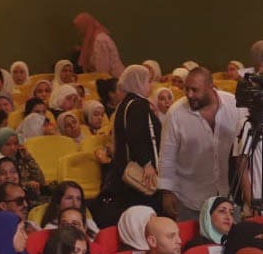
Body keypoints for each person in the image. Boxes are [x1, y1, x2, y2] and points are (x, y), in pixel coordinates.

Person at [158, 67, 243, 223]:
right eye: (187, 89)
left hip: (229, 196)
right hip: (190, 198)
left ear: (211, 86)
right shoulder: (176, 113)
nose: (189, 94)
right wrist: (166, 192)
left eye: (195, 90)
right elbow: (167, 155)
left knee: (232, 238)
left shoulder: (234, 105)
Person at [103, 64, 162, 216]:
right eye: (148, 81)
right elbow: (136, 136)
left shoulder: (126, 103)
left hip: (125, 167)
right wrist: (147, 163)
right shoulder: (138, 105)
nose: (151, 85)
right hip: (139, 169)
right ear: (138, 82)